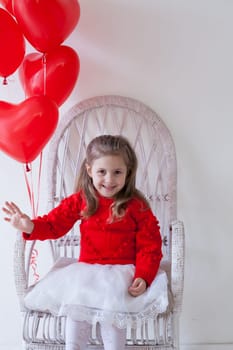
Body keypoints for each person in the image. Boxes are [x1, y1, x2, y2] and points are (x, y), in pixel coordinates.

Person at [2, 135, 168, 350]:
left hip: (122, 275)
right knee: (76, 312)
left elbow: (150, 245)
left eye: (117, 172)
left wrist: (144, 276)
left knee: (113, 316)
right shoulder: (81, 200)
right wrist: (30, 226)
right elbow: (54, 224)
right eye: (102, 172)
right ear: (89, 170)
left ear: (128, 173)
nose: (109, 180)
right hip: (85, 274)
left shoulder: (136, 206)